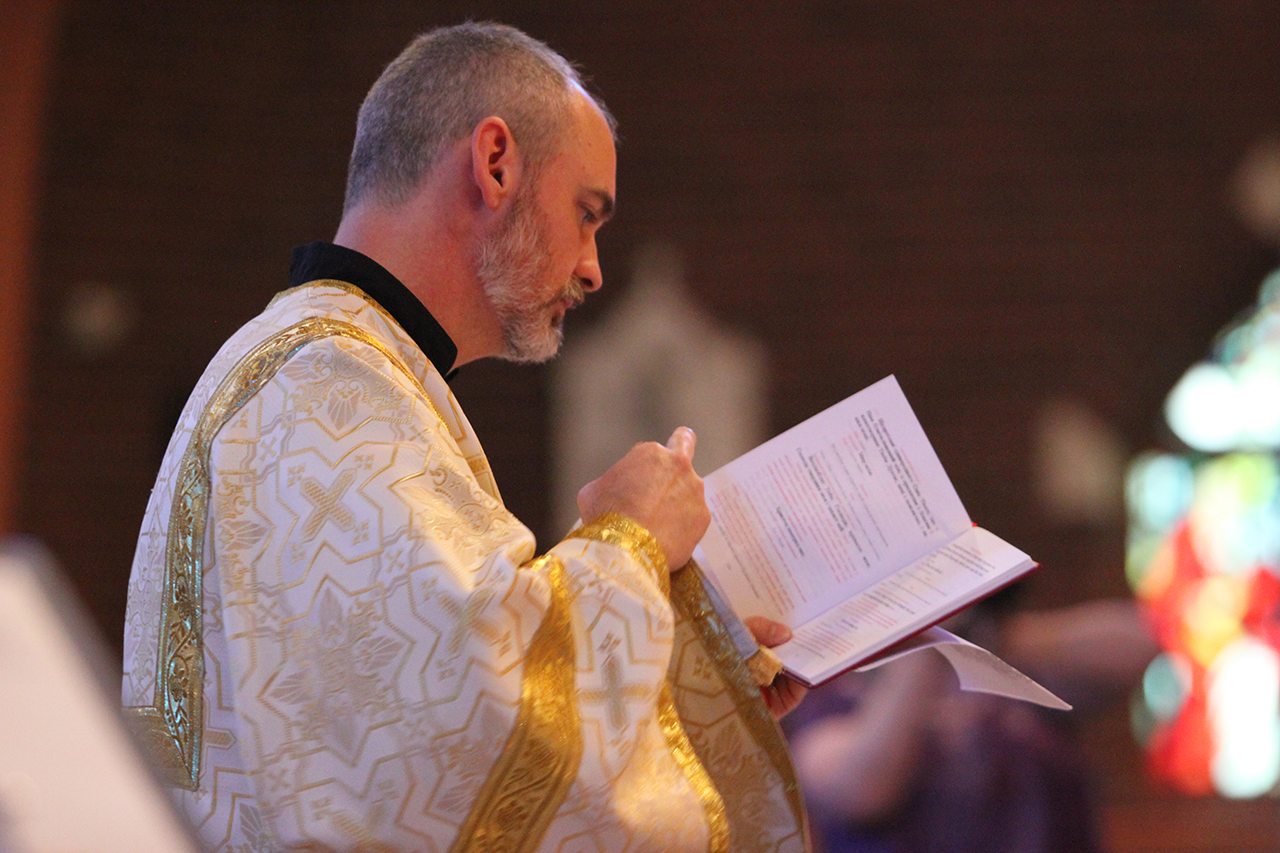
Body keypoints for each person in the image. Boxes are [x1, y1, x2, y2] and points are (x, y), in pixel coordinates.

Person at [120, 23, 807, 853]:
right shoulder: (327, 389)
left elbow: (381, 722)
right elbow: (459, 728)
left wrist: (689, 667)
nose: (592, 266)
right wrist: (627, 534)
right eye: (586, 214)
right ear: (494, 164)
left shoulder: (346, 372)